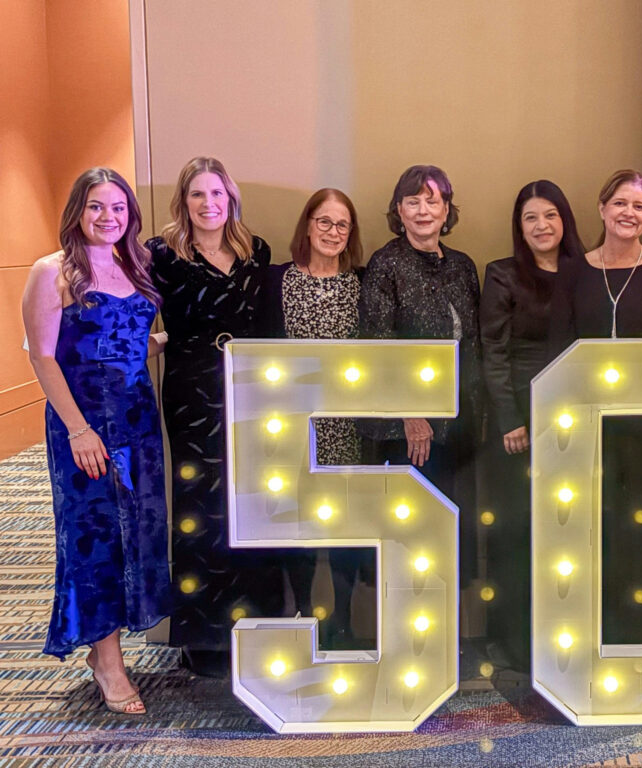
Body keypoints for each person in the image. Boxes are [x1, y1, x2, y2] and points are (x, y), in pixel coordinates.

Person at [23, 168, 171, 713]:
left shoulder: (138, 263)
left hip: (137, 421)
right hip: (83, 425)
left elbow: (129, 341)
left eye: (117, 208)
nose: (107, 217)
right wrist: (79, 429)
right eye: (95, 207)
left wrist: (166, 342)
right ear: (77, 212)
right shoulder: (53, 271)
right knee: (95, 538)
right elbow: (42, 355)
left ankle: (108, 648)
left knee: (137, 531)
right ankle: (107, 663)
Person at [551, 169, 642, 648]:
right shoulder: (574, 271)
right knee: (599, 532)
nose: (628, 213)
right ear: (601, 208)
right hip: (591, 429)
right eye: (619, 203)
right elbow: (558, 348)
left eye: (638, 206)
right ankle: (603, 639)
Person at [146, 156, 276, 676]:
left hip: (248, 390)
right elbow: (129, 306)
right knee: (198, 506)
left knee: (248, 502)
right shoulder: (161, 254)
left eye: (217, 194)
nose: (209, 204)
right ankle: (201, 636)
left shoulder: (254, 249)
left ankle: (251, 622)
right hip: (191, 392)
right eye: (198, 195)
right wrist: (151, 341)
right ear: (184, 201)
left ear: (231, 199)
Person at [358, 165, 482, 585]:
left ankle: (445, 641)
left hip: (456, 424)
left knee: (448, 535)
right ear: (399, 210)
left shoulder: (464, 267)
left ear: (447, 209)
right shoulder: (385, 264)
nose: (423, 210)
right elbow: (377, 344)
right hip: (405, 429)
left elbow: (473, 344)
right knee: (408, 536)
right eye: (413, 201)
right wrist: (410, 414)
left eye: (433, 200)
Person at [479, 180, 585, 670]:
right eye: (530, 218)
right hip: (518, 419)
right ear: (519, 227)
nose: (541, 226)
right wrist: (510, 419)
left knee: (568, 531)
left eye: (549, 215)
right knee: (517, 531)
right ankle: (514, 641)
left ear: (564, 219)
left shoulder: (586, 272)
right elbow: (493, 353)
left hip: (576, 417)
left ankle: (562, 635)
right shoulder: (502, 274)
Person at [262, 187, 372, 648]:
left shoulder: (363, 282)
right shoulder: (276, 280)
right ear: (307, 225)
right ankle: (303, 616)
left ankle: (342, 624)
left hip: (348, 423)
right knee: (297, 526)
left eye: (342, 224)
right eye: (324, 222)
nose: (332, 232)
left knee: (346, 526)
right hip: (292, 423)